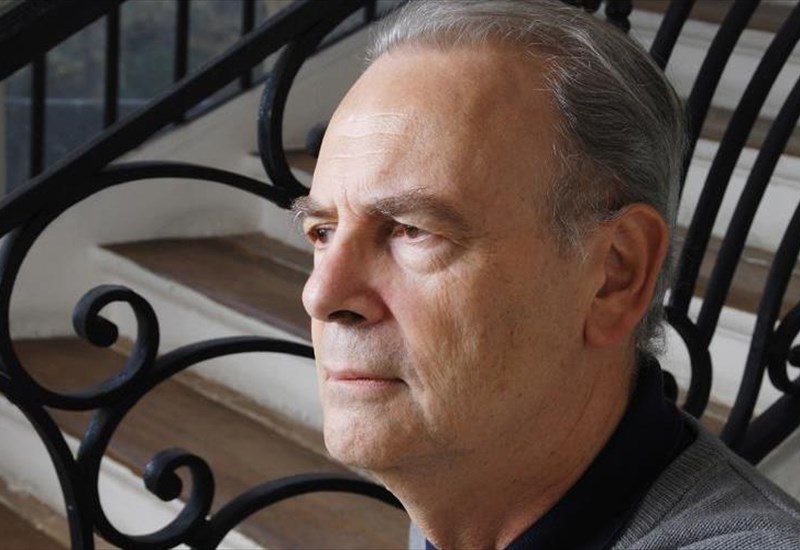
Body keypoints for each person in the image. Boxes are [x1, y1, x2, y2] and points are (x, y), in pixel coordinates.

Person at [292, 0, 800, 548]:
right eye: (322, 231)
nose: (321, 294)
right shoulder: (472, 484)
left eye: (412, 230)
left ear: (615, 274)